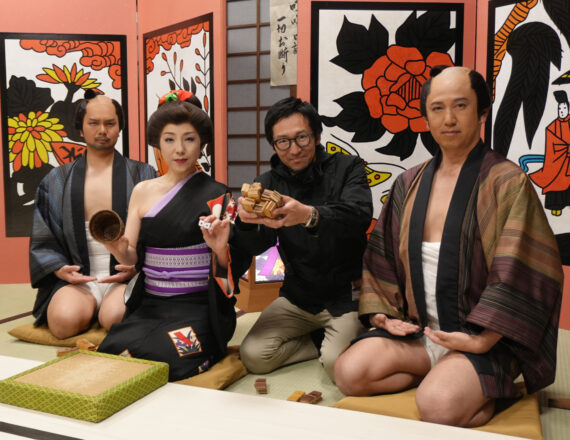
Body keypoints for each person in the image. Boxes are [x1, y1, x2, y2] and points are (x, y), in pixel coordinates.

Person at [334, 66, 563, 427]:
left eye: (460, 105)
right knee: (349, 373)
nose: (449, 118)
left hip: (484, 340)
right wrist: (382, 316)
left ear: (481, 113)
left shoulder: (507, 182)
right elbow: (382, 258)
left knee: (437, 406)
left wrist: (484, 340)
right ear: (426, 118)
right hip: (421, 331)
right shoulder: (408, 183)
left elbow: (519, 272)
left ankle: (471, 386)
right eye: (437, 108)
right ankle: (446, 377)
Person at [98, 91, 249, 381]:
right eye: (169, 140)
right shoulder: (142, 191)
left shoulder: (217, 194)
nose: (179, 149)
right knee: (115, 349)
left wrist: (219, 249)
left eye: (189, 139)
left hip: (200, 306)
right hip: (152, 304)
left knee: (170, 356)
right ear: (158, 143)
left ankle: (204, 351)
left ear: (202, 144)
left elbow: (230, 278)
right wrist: (116, 246)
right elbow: (130, 256)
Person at [233, 97, 373, 380]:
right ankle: (320, 339)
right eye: (283, 142)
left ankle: (337, 340)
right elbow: (258, 246)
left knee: (336, 366)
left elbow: (359, 215)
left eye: (302, 138)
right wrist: (245, 224)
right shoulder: (268, 183)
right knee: (254, 356)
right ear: (273, 145)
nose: (294, 149)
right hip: (298, 296)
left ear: (317, 136)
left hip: (345, 294)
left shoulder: (349, 167)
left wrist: (310, 215)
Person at [29, 92, 156, 339]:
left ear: (120, 127)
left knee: (116, 319)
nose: (102, 130)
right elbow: (44, 236)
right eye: (93, 123)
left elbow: (159, 232)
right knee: (63, 324)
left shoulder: (143, 175)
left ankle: (107, 309)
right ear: (80, 129)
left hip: (125, 277)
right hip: (79, 278)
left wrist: (137, 267)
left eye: (110, 123)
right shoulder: (57, 180)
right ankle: (85, 307)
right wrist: (59, 269)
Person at [529, 90, 570, 216]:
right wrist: (565, 149)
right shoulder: (552, 127)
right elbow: (553, 144)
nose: (562, 111)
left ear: (568, 109)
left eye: (564, 108)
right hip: (559, 161)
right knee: (556, 181)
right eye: (559, 109)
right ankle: (557, 207)